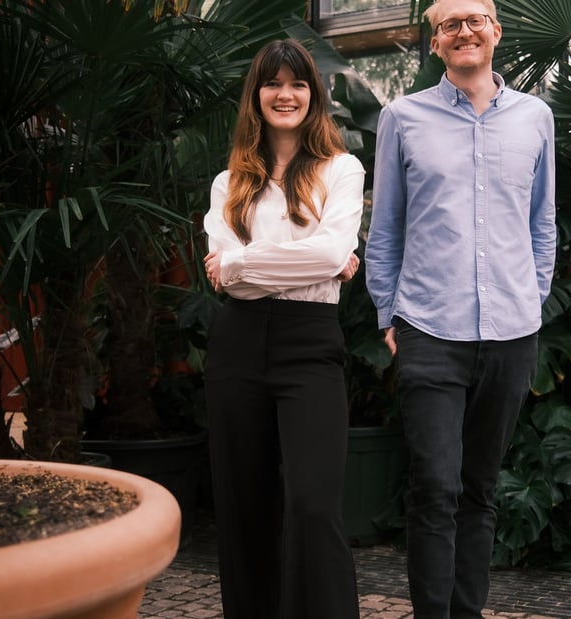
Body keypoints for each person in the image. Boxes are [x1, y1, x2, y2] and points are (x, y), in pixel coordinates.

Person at [364, 0, 556, 617]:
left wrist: (532, 297)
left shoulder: (535, 117)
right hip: (428, 328)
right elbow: (385, 225)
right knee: (436, 487)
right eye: (449, 24)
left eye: (474, 20)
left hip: (511, 331)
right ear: (435, 42)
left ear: (496, 32)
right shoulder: (403, 117)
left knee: (478, 489)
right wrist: (387, 314)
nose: (463, 31)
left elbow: (542, 223)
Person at [202, 38, 364, 619]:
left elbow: (325, 256)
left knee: (314, 505)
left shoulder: (341, 169)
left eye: (297, 83)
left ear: (313, 95)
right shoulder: (229, 185)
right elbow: (243, 284)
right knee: (245, 508)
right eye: (273, 83)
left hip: (309, 342)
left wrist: (242, 261)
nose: (285, 94)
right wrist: (315, 256)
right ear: (257, 96)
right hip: (237, 344)